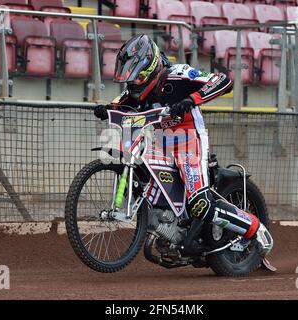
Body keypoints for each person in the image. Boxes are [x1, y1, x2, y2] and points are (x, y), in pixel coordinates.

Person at [94, 34, 273, 257]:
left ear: (149, 67)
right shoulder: (134, 90)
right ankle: (171, 227)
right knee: (140, 173)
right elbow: (120, 103)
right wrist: (105, 108)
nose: (134, 83)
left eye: (138, 77)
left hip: (190, 142)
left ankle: (255, 230)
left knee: (200, 203)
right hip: (162, 144)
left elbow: (223, 81)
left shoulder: (178, 74)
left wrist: (192, 99)